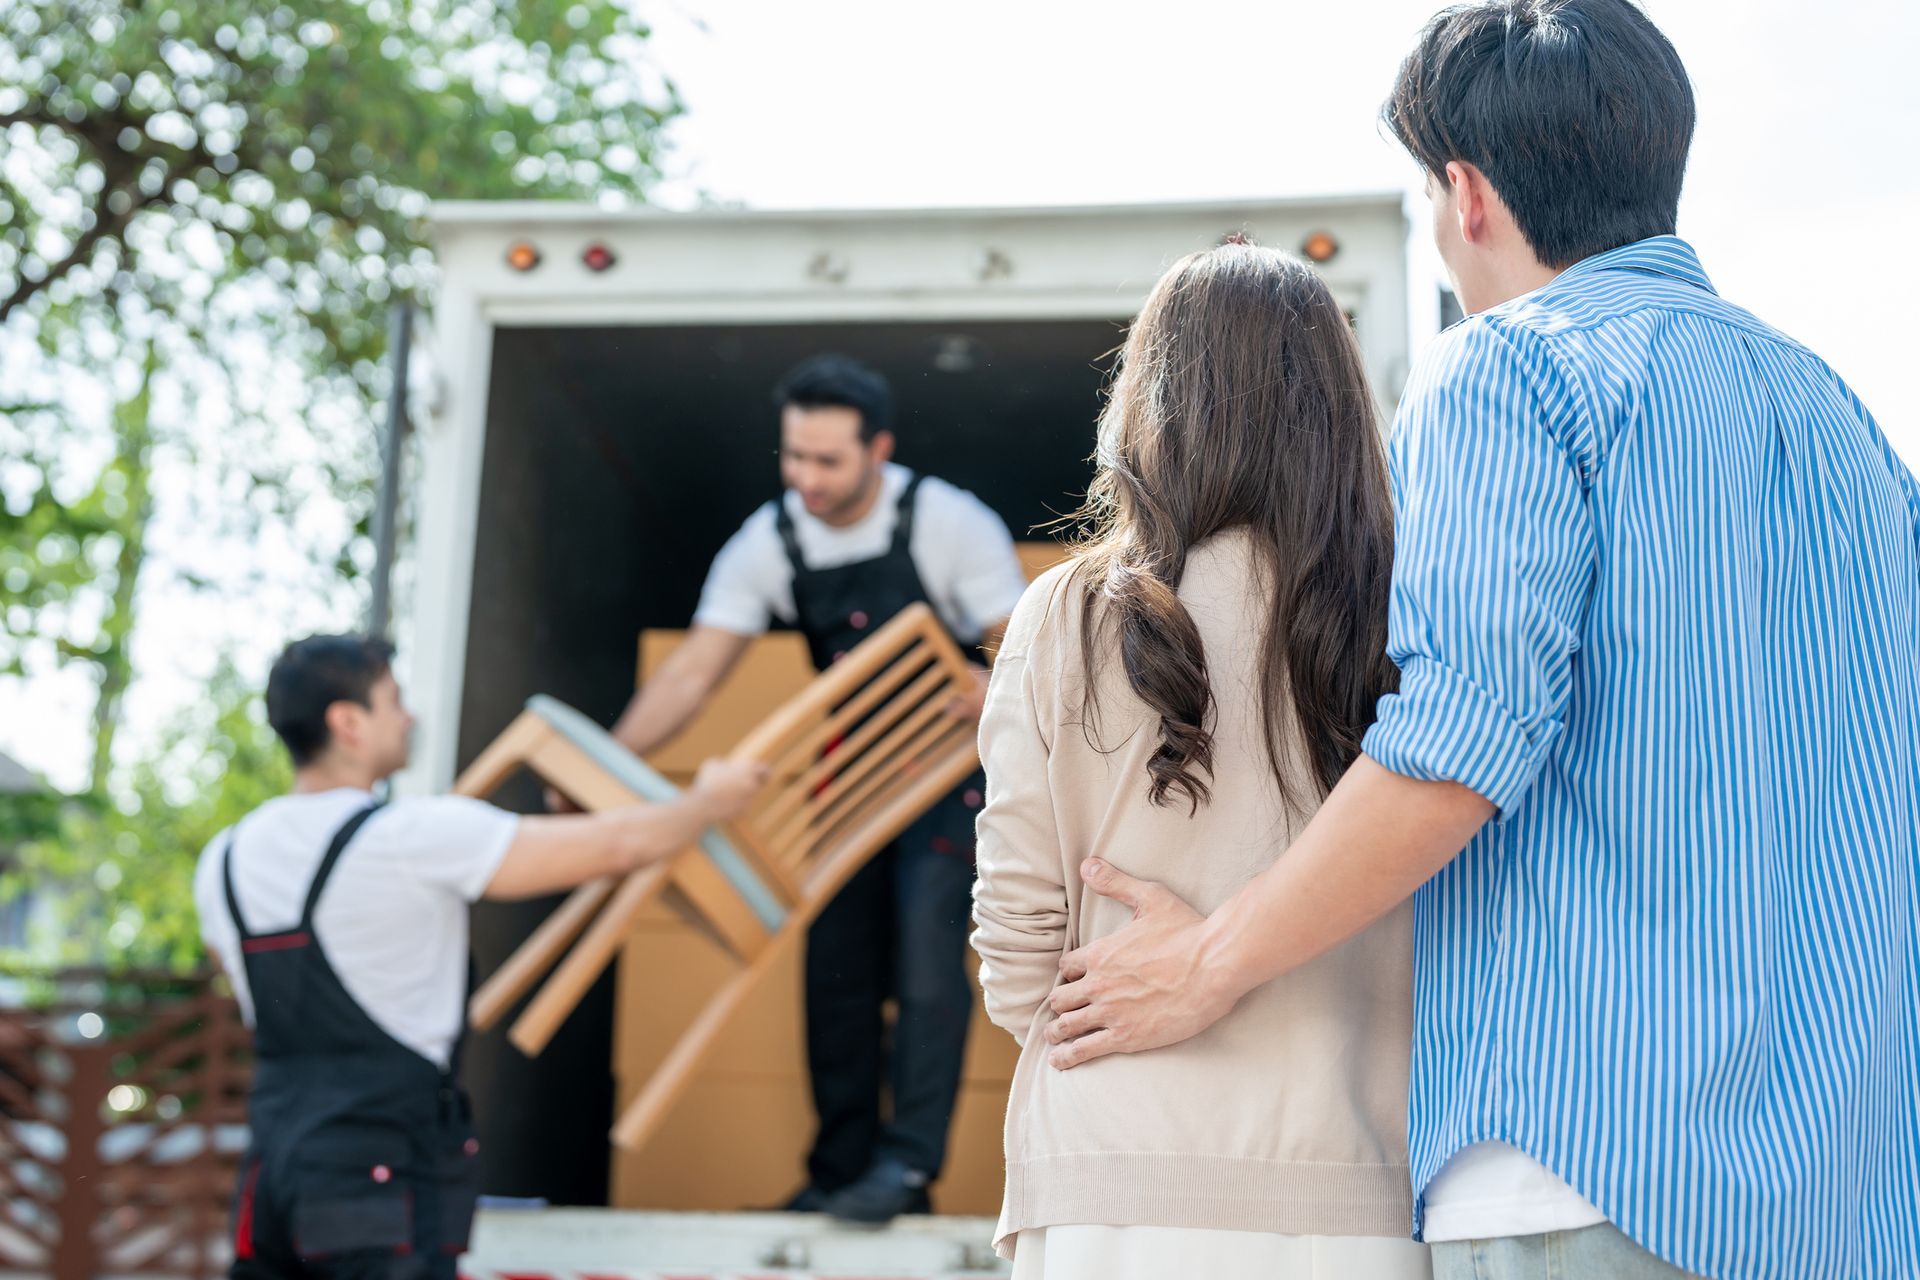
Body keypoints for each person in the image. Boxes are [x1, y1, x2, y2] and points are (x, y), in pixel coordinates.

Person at [1037, 3, 1920, 1279]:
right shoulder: (1837, 414)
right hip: (1844, 1186)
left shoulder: (1509, 371)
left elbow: (1461, 742)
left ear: (1464, 192)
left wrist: (1209, 962)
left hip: (1588, 1156)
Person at [971, 242, 1429, 1279]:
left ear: (1149, 398)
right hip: (1349, 1188)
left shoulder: (1066, 613)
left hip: (1107, 1185)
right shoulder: (1411, 614)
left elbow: (1016, 946)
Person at [601, 354, 1031, 1224]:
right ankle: (837, 1170)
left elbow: (1022, 650)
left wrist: (993, 686)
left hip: (945, 776)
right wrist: (607, 764)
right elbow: (692, 674)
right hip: (848, 774)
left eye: (827, 461)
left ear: (879, 449)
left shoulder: (948, 523)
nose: (806, 479)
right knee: (832, 970)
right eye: (793, 457)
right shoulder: (772, 539)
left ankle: (905, 1169)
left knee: (924, 965)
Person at [194, 635, 766, 1279]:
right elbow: (614, 847)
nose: (409, 716)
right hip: (374, 1170)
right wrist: (710, 803)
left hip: (273, 1170)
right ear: (347, 723)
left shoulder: (225, 858)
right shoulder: (411, 835)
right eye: (393, 701)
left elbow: (237, 977)